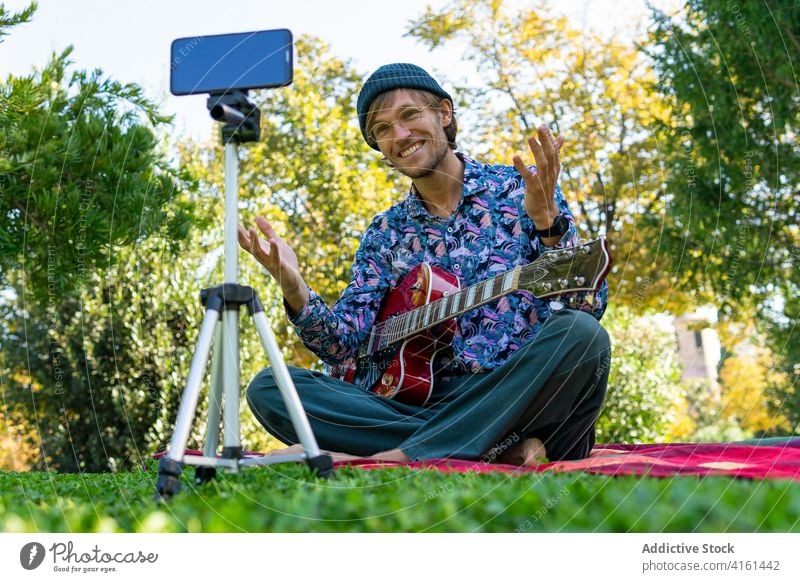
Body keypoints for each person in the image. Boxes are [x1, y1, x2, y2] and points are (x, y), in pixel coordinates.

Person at [239, 63, 610, 466]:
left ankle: (400, 453)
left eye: (409, 115)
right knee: (270, 387)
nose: (399, 136)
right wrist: (294, 287)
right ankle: (491, 448)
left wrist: (547, 223)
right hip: (417, 403)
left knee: (583, 335)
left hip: (516, 390)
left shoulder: (522, 190)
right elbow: (339, 346)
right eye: (382, 130)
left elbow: (589, 304)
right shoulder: (385, 232)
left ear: (444, 114)